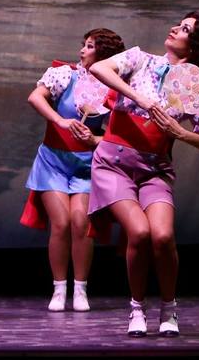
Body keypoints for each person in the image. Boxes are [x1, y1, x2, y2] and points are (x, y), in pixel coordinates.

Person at [86, 11, 199, 337]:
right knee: (139, 232)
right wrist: (140, 98)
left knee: (162, 236)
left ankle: (168, 307)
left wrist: (180, 132)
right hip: (113, 163)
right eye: (180, 23)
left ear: (195, 45)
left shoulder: (193, 88)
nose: (176, 28)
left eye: (186, 29)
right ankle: (137, 308)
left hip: (154, 170)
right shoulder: (139, 59)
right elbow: (98, 67)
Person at [21, 27, 126, 312]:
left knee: (81, 222)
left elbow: (119, 137)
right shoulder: (64, 74)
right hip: (53, 160)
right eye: (84, 44)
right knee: (61, 222)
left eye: (89, 46)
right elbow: (36, 97)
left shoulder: (114, 88)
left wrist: (94, 139)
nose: (82, 50)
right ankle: (59, 288)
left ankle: (80, 288)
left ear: (104, 54)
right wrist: (61, 121)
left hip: (86, 164)